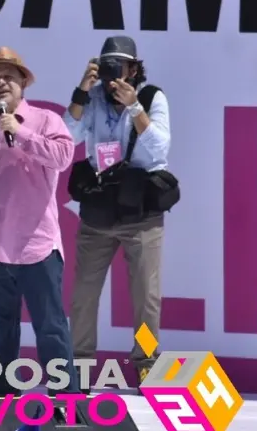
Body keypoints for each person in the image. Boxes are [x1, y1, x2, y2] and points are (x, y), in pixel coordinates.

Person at [0, 47, 79, 424]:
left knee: (51, 330)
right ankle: (4, 406)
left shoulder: (45, 120)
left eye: (9, 75)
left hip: (36, 249)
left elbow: (62, 157)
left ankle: (65, 406)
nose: (1, 81)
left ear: (23, 82)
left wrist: (18, 132)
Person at [64, 36, 174, 387]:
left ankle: (146, 364)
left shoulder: (152, 97)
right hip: (98, 211)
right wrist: (82, 89)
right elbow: (67, 133)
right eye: (108, 63)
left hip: (140, 213)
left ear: (133, 67)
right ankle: (80, 367)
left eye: (120, 64)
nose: (114, 71)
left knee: (146, 296)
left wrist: (134, 108)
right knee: (83, 293)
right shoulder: (92, 98)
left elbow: (159, 147)